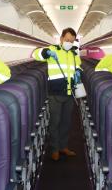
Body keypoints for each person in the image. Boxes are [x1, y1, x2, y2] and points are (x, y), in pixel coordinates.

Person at [32, 27, 82, 161]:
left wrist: (78, 71)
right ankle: (54, 149)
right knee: (55, 122)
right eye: (67, 40)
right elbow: (35, 54)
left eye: (71, 41)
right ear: (61, 39)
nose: (69, 43)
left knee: (66, 122)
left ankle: (63, 147)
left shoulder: (73, 54)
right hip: (55, 92)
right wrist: (46, 52)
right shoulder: (53, 49)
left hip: (69, 93)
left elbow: (78, 66)